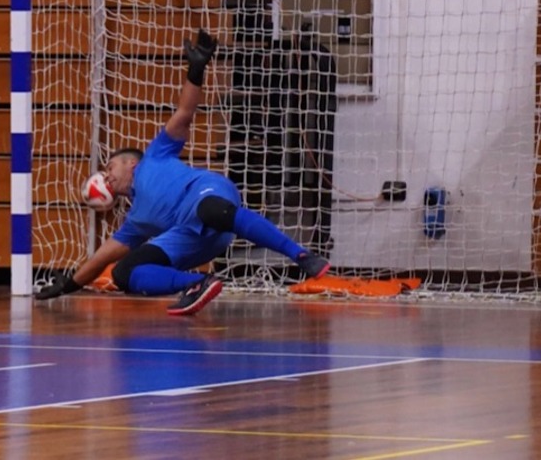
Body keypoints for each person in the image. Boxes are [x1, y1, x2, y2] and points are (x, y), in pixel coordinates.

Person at [34, 29, 331, 316]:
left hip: (203, 195)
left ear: (131, 163)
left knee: (210, 209)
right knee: (123, 272)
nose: (107, 176)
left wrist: (196, 69)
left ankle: (301, 255)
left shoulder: (155, 154)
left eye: (110, 167)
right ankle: (197, 284)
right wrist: (68, 285)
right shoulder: (134, 223)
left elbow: (184, 113)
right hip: (190, 238)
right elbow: (100, 259)